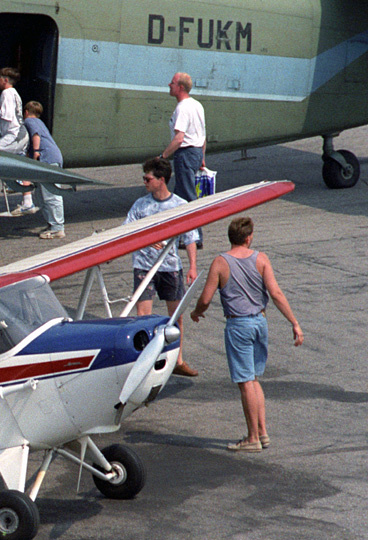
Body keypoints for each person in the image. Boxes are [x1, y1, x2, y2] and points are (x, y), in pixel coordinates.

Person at [190, 217, 303, 453]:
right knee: (253, 379)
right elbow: (276, 293)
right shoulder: (261, 259)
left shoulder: (221, 263)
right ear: (248, 237)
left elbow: (206, 299)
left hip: (238, 325)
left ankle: (252, 437)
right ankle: (262, 432)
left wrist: (197, 312)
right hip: (259, 322)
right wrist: (294, 322)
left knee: (245, 382)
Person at [124, 157, 200, 377]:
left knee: (176, 316)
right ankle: (142, 364)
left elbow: (190, 238)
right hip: (143, 267)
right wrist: (148, 239)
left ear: (161, 180)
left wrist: (192, 266)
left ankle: (178, 360)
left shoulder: (179, 206)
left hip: (170, 268)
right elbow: (127, 231)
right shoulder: (140, 205)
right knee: (142, 316)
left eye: (147, 178)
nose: (144, 182)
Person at [0, 67, 35, 216]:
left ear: (5, 80)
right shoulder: (14, 93)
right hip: (20, 135)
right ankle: (28, 203)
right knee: (21, 166)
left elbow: (6, 115)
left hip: (14, 135)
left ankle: (13, 184)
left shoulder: (7, 93)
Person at [161, 72, 206, 245]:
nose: (169, 85)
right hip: (195, 152)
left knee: (187, 195)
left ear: (180, 87)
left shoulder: (182, 108)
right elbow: (203, 135)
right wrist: (202, 156)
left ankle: (196, 238)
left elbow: (179, 138)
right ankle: (180, 235)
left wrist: (163, 156)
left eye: (172, 83)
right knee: (179, 196)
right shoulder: (197, 105)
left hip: (185, 154)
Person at [23, 101, 65, 239]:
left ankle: (58, 228)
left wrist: (35, 151)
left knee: (51, 194)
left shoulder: (30, 121)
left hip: (48, 159)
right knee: (41, 196)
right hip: (50, 158)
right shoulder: (39, 121)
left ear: (27, 112)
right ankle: (52, 224)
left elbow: (36, 135)